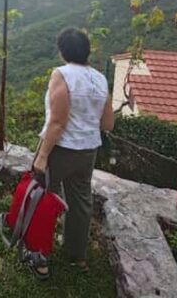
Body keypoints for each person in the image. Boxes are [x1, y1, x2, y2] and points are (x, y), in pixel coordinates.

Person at [31, 28, 114, 278]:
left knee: (44, 198)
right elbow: (108, 123)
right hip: (88, 150)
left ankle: (40, 256)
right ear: (88, 50)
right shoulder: (100, 79)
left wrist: (43, 156)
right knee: (80, 202)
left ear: (62, 51)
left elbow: (57, 121)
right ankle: (77, 256)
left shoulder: (62, 74)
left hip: (61, 148)